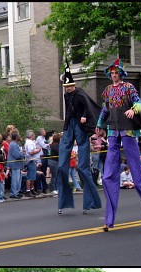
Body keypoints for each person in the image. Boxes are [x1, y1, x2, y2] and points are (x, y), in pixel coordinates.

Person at [96, 58, 141, 232]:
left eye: (116, 73)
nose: (114, 75)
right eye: (112, 73)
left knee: (137, 175)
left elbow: (139, 103)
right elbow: (105, 109)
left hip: (129, 132)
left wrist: (133, 109)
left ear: (121, 74)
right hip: (113, 131)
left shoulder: (129, 87)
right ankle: (109, 221)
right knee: (108, 175)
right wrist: (99, 124)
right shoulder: (108, 90)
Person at [57, 64, 103, 215]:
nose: (68, 89)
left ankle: (90, 202)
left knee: (83, 167)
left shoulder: (80, 93)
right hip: (70, 123)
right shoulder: (66, 95)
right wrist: (65, 128)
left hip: (80, 125)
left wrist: (84, 116)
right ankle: (63, 201)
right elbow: (69, 110)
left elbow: (87, 106)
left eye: (69, 86)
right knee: (61, 166)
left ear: (73, 85)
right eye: (66, 87)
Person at [7, 132, 24, 198]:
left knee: (18, 179)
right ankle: (13, 193)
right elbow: (17, 155)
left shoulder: (16, 144)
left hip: (18, 165)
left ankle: (17, 191)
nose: (20, 136)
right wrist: (22, 153)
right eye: (19, 135)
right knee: (15, 179)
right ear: (16, 137)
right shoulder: (13, 144)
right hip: (15, 165)